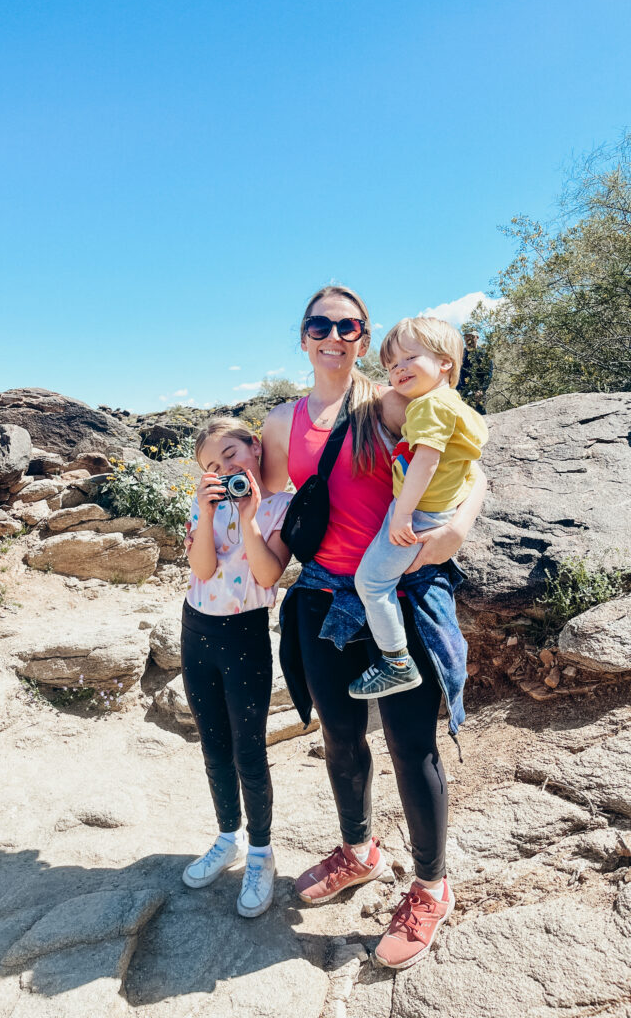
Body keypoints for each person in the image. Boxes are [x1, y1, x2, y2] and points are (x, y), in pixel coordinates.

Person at [260, 286, 486, 969]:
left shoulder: (388, 400)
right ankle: (358, 852)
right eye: (319, 324)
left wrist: (460, 524)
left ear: (363, 337)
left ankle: (430, 886)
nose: (333, 334)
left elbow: (470, 461)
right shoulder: (279, 423)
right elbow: (270, 504)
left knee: (410, 743)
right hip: (324, 596)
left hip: (401, 587)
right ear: (302, 336)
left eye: (348, 325)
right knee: (338, 736)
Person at [181, 417, 292, 918]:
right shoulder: (203, 503)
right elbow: (202, 569)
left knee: (249, 749)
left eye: (231, 455)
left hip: (245, 634)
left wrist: (248, 517)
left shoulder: (281, 505)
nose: (225, 469)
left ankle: (261, 855)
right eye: (211, 465)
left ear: (254, 446)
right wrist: (207, 514)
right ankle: (228, 838)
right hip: (197, 630)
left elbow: (269, 574)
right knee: (213, 744)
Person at [349, 317, 488, 700]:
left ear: (446, 362)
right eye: (392, 365)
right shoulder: (454, 406)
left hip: (418, 512)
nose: (399, 369)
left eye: (410, 357)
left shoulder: (429, 407)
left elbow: (426, 461)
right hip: (431, 510)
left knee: (372, 583)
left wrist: (402, 514)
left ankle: (396, 663)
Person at [457, 330, 493, 414]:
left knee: (481, 415)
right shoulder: (460, 355)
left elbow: (488, 374)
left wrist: (481, 390)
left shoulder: (484, 354)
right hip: (462, 392)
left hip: (478, 392)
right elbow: (456, 373)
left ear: (477, 337)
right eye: (466, 337)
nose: (469, 339)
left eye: (472, 336)